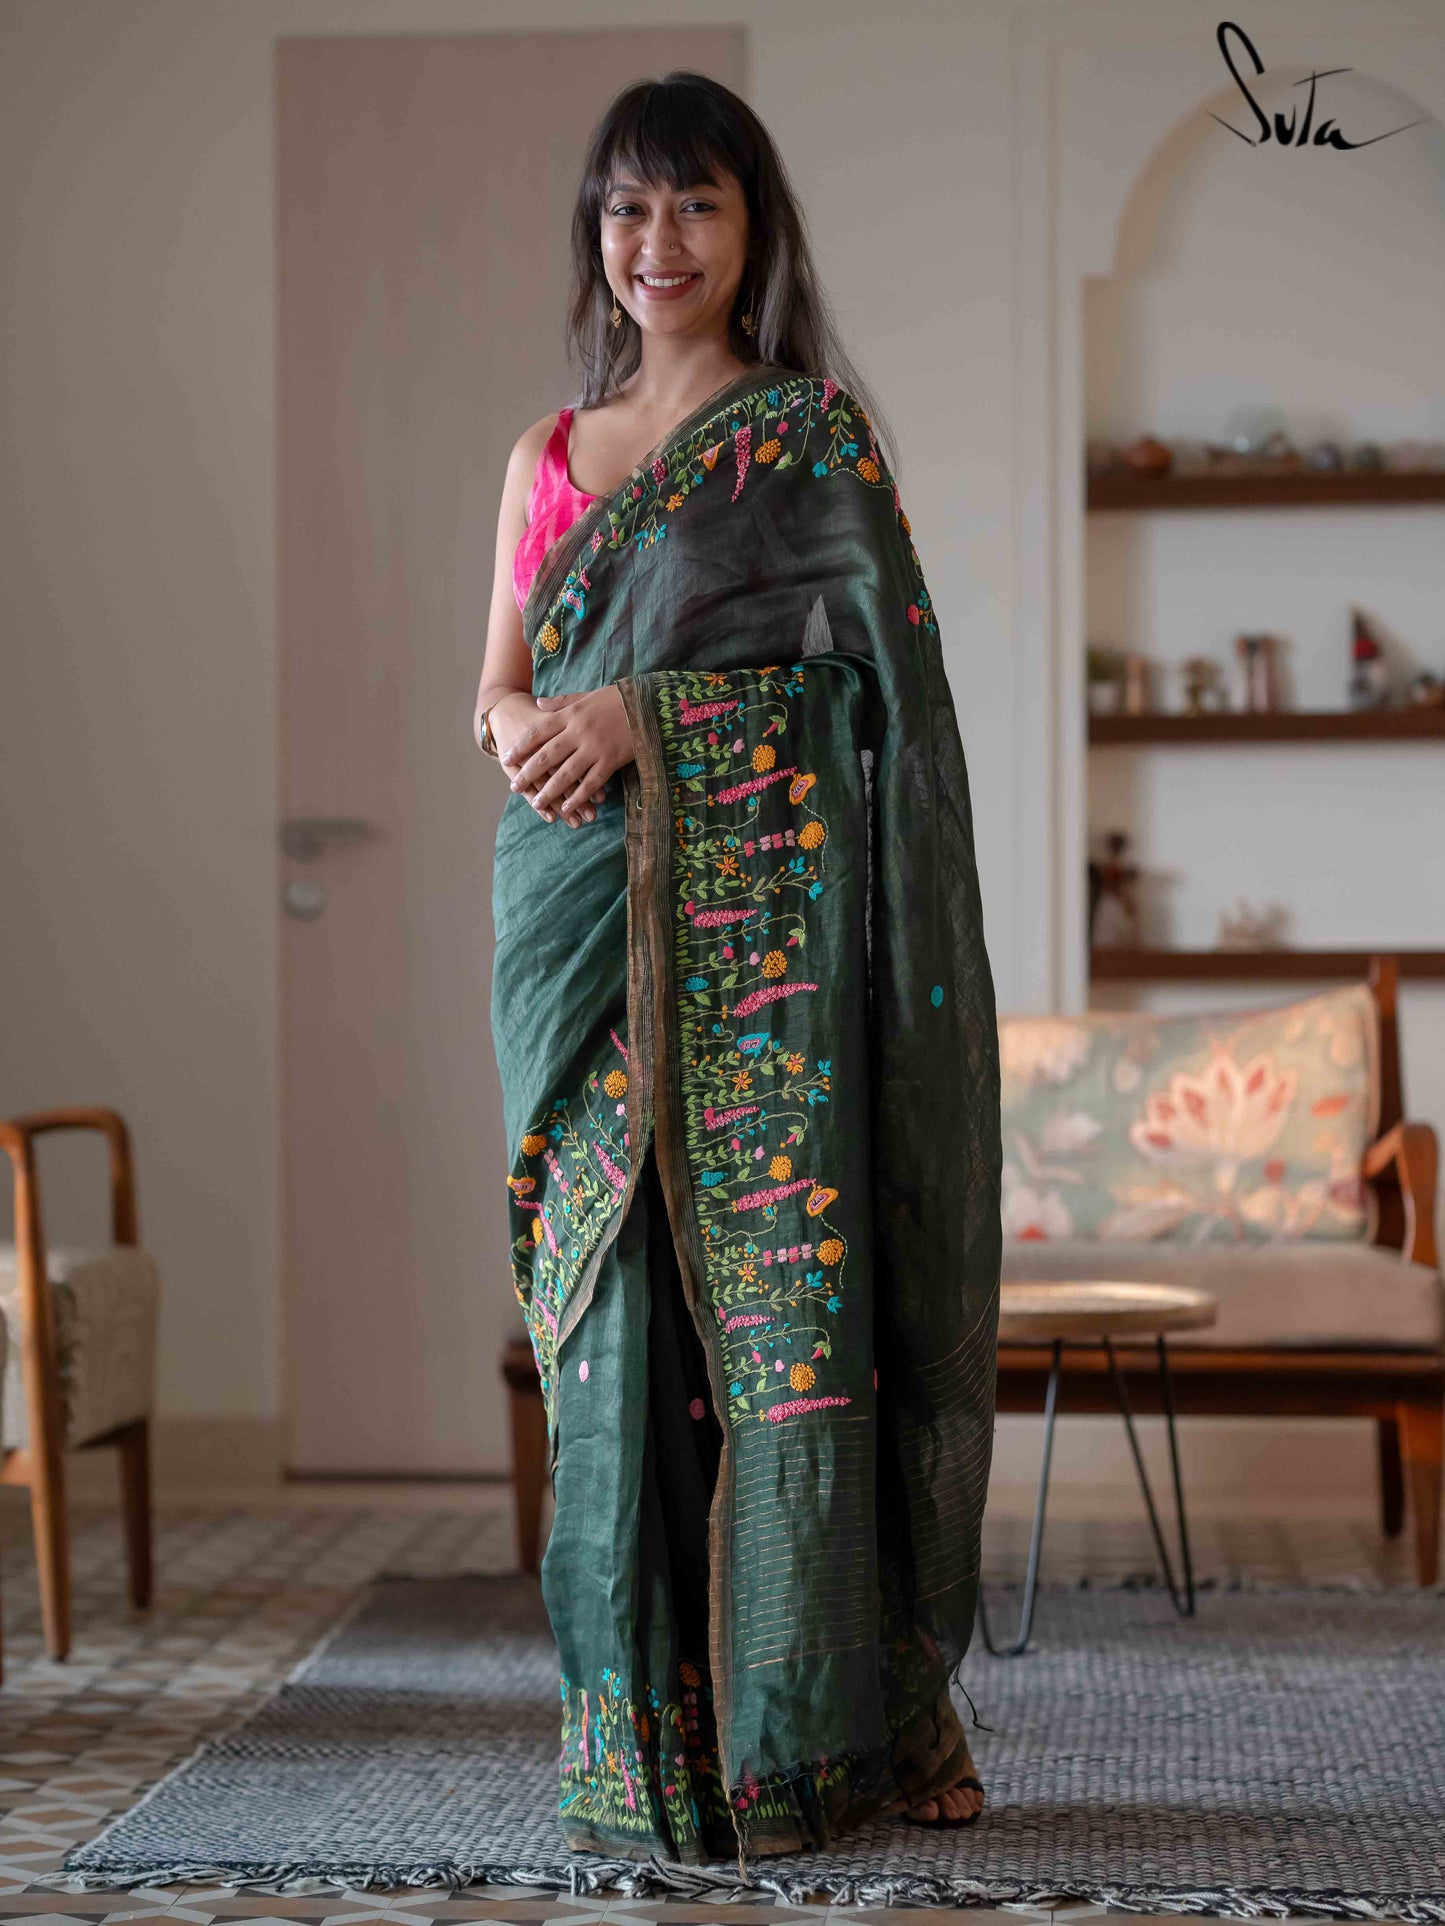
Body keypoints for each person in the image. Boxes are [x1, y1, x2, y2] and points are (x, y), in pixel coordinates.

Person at [475, 70, 1002, 1869]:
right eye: (628, 207)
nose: (659, 241)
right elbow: (495, 685)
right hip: (572, 930)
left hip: (758, 959)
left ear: (752, 227)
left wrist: (648, 719)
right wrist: (527, 729)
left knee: (778, 1321)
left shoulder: (808, 444)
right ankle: (644, 1742)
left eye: (695, 202)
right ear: (595, 234)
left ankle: (822, 1729)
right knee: (614, 1315)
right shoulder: (547, 457)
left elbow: (874, 712)